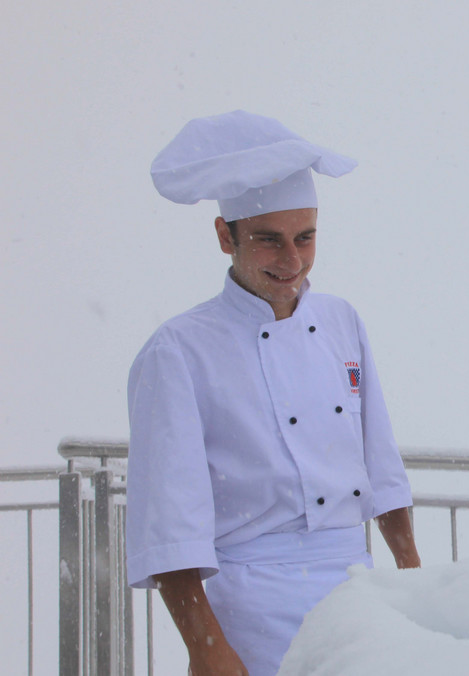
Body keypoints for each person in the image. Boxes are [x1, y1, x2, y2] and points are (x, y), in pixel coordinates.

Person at [127, 110, 421, 675]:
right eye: (268, 241)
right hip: (250, 604)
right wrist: (206, 647)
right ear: (224, 236)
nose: (292, 261)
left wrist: (414, 580)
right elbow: (169, 519)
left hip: (357, 596)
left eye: (305, 238)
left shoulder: (342, 321)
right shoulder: (178, 351)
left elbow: (380, 464)